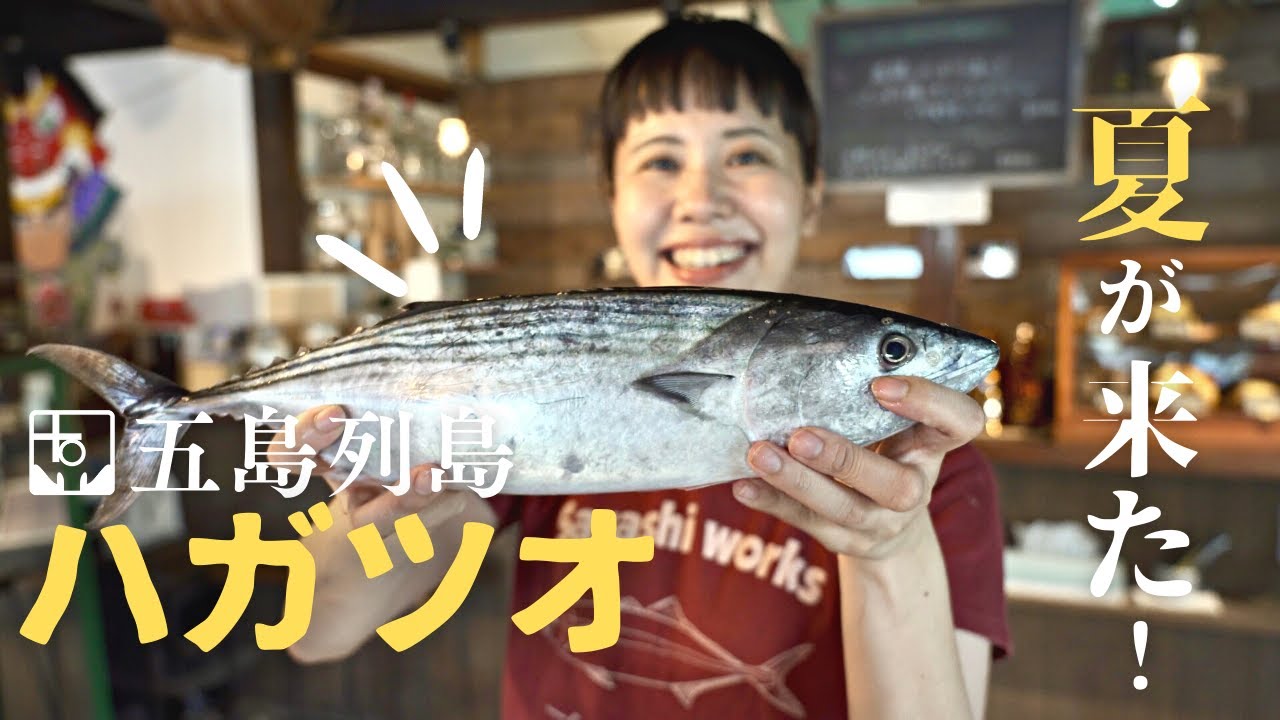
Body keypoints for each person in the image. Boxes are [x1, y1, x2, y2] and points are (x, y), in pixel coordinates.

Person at [280, 15, 1010, 720]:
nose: (702, 200)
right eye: (661, 161)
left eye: (748, 155)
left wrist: (894, 548)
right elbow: (317, 632)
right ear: (612, 199)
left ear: (812, 194)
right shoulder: (544, 385)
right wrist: (390, 512)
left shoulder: (924, 472)